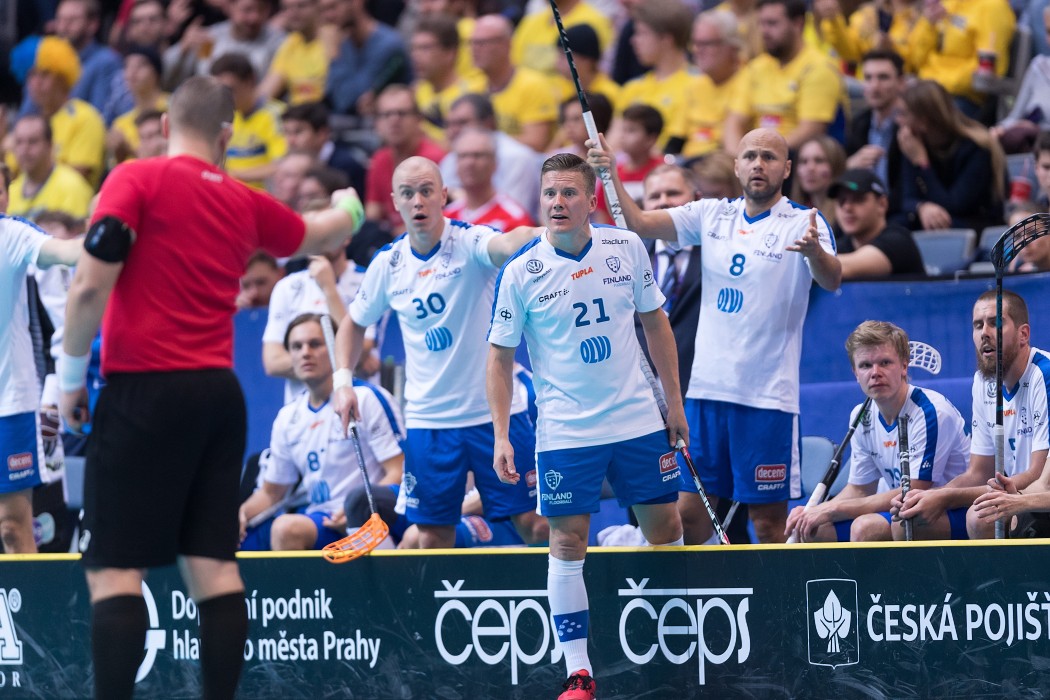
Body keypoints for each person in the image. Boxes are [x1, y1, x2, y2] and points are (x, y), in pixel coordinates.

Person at [56, 75, 363, 700]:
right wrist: (354, 207)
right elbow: (318, 233)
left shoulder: (135, 178)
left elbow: (89, 285)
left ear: (166, 126)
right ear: (227, 135)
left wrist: (68, 377)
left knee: (115, 570)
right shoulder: (243, 201)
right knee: (215, 569)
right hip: (218, 399)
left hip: (145, 390)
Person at [487, 153, 685, 700]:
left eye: (569, 193)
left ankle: (673, 647)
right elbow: (499, 359)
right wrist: (503, 434)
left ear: (592, 198)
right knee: (567, 539)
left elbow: (656, 324)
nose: (557, 203)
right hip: (567, 430)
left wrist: (674, 403)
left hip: (637, 419)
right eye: (549, 193)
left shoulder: (626, 247)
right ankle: (579, 673)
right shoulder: (520, 272)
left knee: (665, 528)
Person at [587, 127, 842, 544]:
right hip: (705, 397)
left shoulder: (804, 221)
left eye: (769, 157)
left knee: (766, 523)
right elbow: (638, 222)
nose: (759, 164)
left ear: (787, 168)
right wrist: (611, 173)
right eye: (750, 156)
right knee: (692, 519)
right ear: (737, 166)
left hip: (765, 399)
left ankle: (777, 608)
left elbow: (832, 279)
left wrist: (814, 253)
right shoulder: (711, 214)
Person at [332, 156, 549, 550]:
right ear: (395, 202)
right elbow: (352, 322)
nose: (418, 201)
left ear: (444, 196)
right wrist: (342, 382)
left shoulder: (469, 241)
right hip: (429, 422)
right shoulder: (389, 264)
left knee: (536, 525)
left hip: (496, 416)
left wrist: (548, 230)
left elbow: (506, 244)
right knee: (432, 536)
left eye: (427, 191)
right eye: (408, 193)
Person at [785, 321, 969, 542]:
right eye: (865, 365)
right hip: (902, 511)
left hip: (953, 511)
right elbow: (860, 489)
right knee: (813, 529)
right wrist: (813, 511)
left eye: (885, 363)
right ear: (855, 372)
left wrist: (830, 510)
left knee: (865, 528)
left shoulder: (931, 412)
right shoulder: (861, 416)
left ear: (904, 366)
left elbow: (913, 491)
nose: (875, 373)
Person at [892, 291, 1049, 540]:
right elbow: (979, 471)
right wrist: (932, 495)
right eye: (978, 325)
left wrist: (947, 496)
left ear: (1023, 334)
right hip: (1012, 492)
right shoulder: (982, 382)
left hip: (1037, 499)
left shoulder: (1044, 374)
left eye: (995, 322)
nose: (984, 333)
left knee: (980, 518)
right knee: (908, 523)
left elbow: (1038, 477)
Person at [240, 314, 403, 550]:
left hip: (374, 518)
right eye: (296, 347)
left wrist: (361, 510)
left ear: (337, 349)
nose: (305, 352)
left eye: (315, 344)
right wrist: (240, 514)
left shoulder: (366, 397)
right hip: (323, 520)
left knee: (286, 528)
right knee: (258, 534)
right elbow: (272, 492)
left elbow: (399, 470)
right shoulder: (288, 417)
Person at [0, 165, 82, 555]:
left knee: (25, 524)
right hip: (34, 401)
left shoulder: (15, 237)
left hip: (28, 405)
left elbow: (66, 252)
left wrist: (104, 237)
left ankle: (37, 613)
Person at [262, 218, 365, 403]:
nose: (320, 241)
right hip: (298, 409)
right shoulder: (287, 287)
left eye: (327, 234)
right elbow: (272, 362)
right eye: (314, 235)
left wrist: (329, 290)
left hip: (353, 404)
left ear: (346, 236)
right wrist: (332, 362)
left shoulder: (366, 280)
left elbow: (360, 355)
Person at [724, 0, 846, 153]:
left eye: (772, 23)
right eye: (761, 23)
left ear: (798, 24)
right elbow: (734, 122)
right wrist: (737, 157)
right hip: (757, 157)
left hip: (798, 158)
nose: (764, 31)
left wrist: (763, 155)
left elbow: (811, 130)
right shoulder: (757, 67)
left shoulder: (819, 68)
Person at [893, 79, 1006, 232]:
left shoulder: (977, 148)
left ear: (923, 121)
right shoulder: (914, 142)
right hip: (931, 218)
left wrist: (923, 164)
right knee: (895, 225)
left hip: (973, 223)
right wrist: (921, 207)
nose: (898, 120)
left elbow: (955, 205)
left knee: (941, 225)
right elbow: (905, 199)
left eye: (903, 114)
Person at [439, 93, 543, 219]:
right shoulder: (451, 158)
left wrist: (459, 195)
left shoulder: (517, 157)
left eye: (462, 122)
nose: (453, 131)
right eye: (449, 124)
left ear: (488, 123)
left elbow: (515, 214)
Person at [613, 0, 698, 154]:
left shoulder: (697, 84)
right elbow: (612, 143)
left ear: (666, 39)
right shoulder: (632, 88)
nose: (633, 40)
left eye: (642, 33)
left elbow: (678, 147)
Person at [364, 85, 448, 232]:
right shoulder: (379, 159)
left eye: (401, 113)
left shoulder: (435, 159)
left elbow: (442, 216)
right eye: (386, 114)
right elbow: (372, 215)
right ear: (377, 123)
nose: (394, 120)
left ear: (418, 119)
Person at [471, 14, 558, 152]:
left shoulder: (533, 85)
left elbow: (536, 142)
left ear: (507, 44)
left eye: (483, 42)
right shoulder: (473, 88)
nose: (475, 49)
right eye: (473, 42)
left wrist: (487, 141)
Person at [210, 52, 288, 188]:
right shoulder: (224, 117)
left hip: (264, 198)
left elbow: (282, 166)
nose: (224, 97)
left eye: (229, 89)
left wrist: (232, 175)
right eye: (219, 90)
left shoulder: (277, 115)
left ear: (250, 81)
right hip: (231, 194)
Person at [831, 169, 926, 279]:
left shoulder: (898, 241)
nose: (847, 208)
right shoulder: (840, 246)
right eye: (841, 201)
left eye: (858, 199)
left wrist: (813, 257)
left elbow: (840, 268)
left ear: (882, 204)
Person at [323, 0, 410, 117]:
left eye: (333, 7)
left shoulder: (388, 44)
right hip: (346, 125)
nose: (328, 16)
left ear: (357, 3)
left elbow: (349, 101)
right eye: (323, 10)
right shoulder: (343, 43)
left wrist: (335, 58)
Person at [682, 10, 746, 160]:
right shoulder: (695, 84)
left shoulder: (749, 79)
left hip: (723, 164)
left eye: (706, 43)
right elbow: (677, 136)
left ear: (732, 46)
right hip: (688, 164)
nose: (697, 50)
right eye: (695, 43)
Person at [843, 49, 905, 203]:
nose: (874, 86)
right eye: (868, 78)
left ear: (901, 83)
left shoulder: (912, 124)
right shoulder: (859, 123)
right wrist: (850, 165)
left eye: (883, 78)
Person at [443, 127, 536, 230]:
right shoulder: (446, 217)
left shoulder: (515, 219)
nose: (469, 163)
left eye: (477, 155)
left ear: (494, 163)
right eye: (463, 156)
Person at [8, 114, 94, 221]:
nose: (24, 150)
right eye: (19, 142)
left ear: (50, 145)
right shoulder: (10, 192)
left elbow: (77, 235)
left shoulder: (72, 186)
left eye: (33, 141)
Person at [257, 0, 330, 105]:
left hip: (325, 111)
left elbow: (335, 89)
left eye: (301, 6)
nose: (293, 13)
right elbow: (266, 92)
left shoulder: (330, 37)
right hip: (295, 113)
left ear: (318, 6)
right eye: (287, 8)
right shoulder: (290, 43)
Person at [789, 135, 846, 228]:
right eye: (803, 161)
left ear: (836, 166)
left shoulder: (846, 212)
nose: (810, 168)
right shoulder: (792, 213)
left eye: (819, 161)